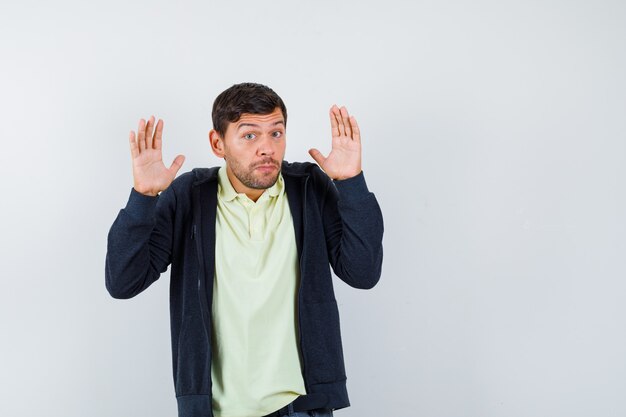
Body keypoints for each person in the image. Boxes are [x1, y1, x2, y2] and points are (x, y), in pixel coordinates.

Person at [105, 82, 384, 417]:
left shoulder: (309, 187)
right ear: (217, 143)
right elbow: (123, 282)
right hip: (216, 409)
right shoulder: (188, 196)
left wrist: (351, 183)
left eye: (276, 133)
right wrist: (143, 198)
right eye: (250, 135)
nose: (267, 148)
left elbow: (363, 272)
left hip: (299, 406)